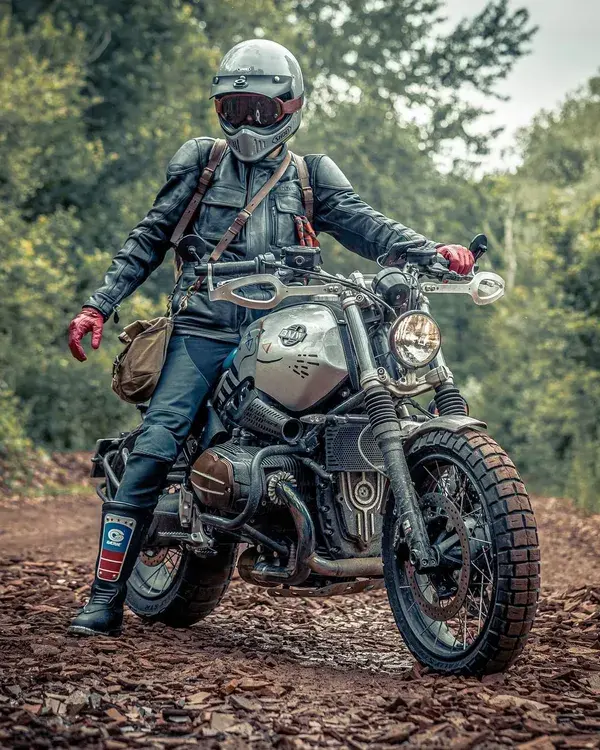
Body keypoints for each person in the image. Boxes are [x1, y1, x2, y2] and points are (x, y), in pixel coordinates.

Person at [67, 39, 474, 637]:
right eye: (237, 110)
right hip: (207, 325)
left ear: (291, 107)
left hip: (288, 324)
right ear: (219, 112)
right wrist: (99, 304)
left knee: (355, 396)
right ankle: (104, 595)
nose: (250, 122)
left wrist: (431, 252)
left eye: (262, 109)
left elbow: (366, 225)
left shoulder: (311, 174)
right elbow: (151, 236)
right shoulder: (201, 162)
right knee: (158, 441)